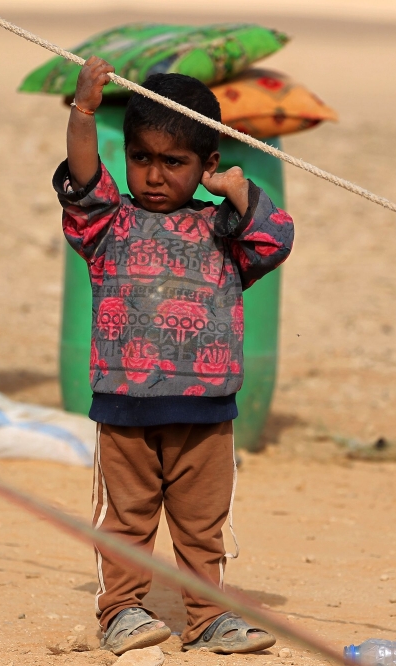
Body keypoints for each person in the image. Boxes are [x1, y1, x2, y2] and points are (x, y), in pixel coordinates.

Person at [53, 56, 294, 655]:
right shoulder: (108, 225)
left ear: (207, 164)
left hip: (206, 410)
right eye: (142, 159)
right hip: (126, 406)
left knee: (201, 525)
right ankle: (121, 612)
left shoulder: (225, 232)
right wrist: (84, 111)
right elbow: (82, 180)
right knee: (127, 519)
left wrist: (240, 193)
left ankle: (209, 616)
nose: (155, 175)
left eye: (175, 162)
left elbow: (277, 239)